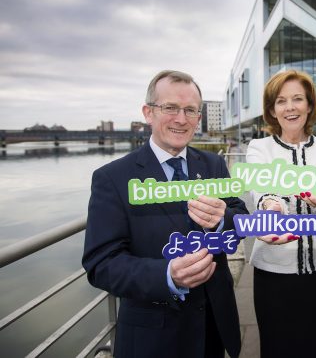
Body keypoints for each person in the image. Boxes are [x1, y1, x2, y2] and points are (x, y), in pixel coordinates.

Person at [82, 70, 246, 358]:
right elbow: (101, 264)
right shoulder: (113, 178)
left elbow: (241, 219)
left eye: (190, 110)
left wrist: (223, 219)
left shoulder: (213, 165)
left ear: (198, 117)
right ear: (149, 113)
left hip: (213, 327)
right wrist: (167, 275)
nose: (181, 119)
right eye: (170, 107)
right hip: (154, 338)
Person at [246, 70, 316, 358]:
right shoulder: (258, 147)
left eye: (298, 99)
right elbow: (260, 189)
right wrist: (272, 206)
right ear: (272, 109)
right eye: (281, 101)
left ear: (310, 105)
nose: (290, 107)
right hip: (273, 269)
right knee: (276, 346)